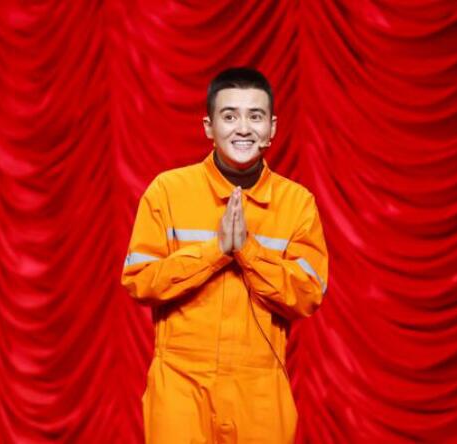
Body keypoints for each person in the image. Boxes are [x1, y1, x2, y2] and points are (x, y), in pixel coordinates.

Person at [121, 67, 329, 443]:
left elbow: (308, 294)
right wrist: (215, 251)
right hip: (180, 384)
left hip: (260, 389)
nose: (243, 128)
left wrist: (247, 251)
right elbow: (139, 281)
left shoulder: (297, 203)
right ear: (209, 127)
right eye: (229, 116)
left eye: (255, 116)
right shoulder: (167, 191)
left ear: (272, 128)